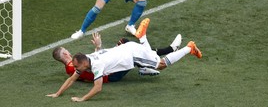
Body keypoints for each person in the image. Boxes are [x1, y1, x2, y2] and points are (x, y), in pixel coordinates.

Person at [46, 18, 202, 102]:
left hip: (132, 54)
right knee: (153, 60)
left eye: (77, 66)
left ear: (84, 63)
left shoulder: (96, 65)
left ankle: (189, 47)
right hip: (128, 53)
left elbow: (98, 88)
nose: (76, 69)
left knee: (160, 65)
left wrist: (82, 98)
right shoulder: (89, 58)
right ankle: (143, 37)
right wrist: (58, 93)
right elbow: (72, 79)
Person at [53, 32, 182, 82]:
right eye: (66, 50)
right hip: (111, 73)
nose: (68, 51)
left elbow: (94, 62)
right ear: (65, 54)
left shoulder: (69, 68)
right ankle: (170, 50)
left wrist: (98, 47)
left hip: (107, 69)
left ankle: (143, 65)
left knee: (125, 44)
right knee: (130, 49)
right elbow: (93, 66)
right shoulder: (74, 66)